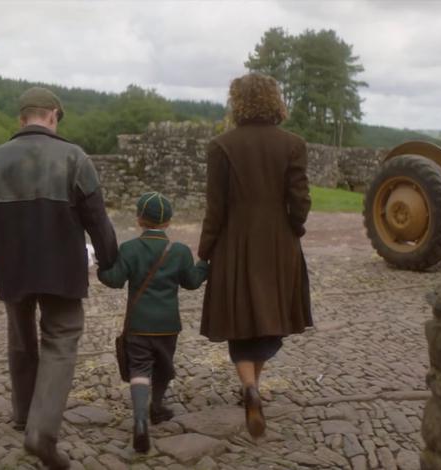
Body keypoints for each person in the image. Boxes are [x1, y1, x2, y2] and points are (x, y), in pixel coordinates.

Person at [0, 87, 118, 469]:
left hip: (12, 267)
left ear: (22, 118)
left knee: (21, 338)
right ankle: (41, 431)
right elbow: (97, 217)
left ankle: (23, 413)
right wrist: (110, 261)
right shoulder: (75, 157)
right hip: (62, 267)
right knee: (61, 340)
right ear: (53, 116)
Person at [197, 73, 312, 439]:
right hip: (279, 244)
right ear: (274, 100)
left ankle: (249, 387)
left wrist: (206, 250)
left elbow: (214, 208)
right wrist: (293, 228)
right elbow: (301, 200)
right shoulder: (293, 144)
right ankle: (252, 388)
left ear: (238, 102)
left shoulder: (221, 146)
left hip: (234, 243)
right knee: (267, 318)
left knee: (240, 316)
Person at [98, 192, 208, 453]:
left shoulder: (129, 249)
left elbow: (114, 280)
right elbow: (192, 282)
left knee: (139, 369)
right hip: (168, 325)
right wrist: (205, 265)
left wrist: (101, 268)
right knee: (162, 367)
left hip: (138, 324)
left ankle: (139, 420)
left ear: (139, 220)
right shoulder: (179, 251)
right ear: (168, 222)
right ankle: (157, 408)